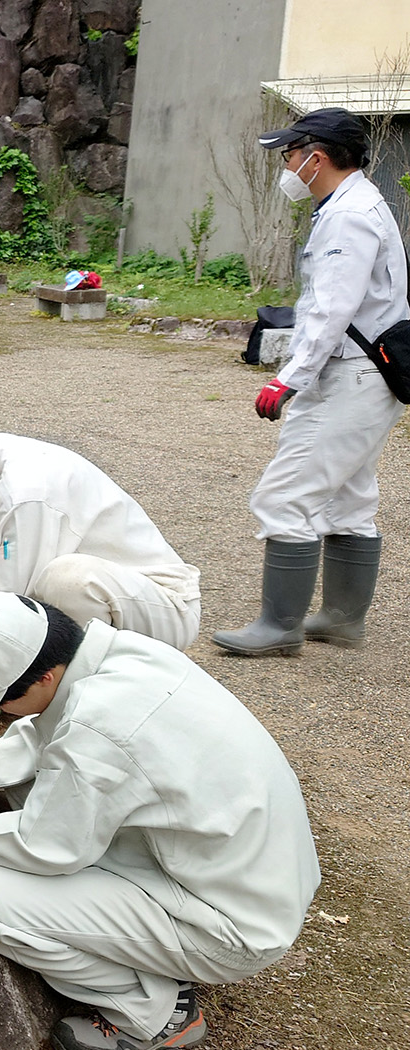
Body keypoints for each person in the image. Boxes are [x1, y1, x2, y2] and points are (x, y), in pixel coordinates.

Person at [0, 591, 318, 1050]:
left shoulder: (100, 727)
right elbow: (43, 737)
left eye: (0, 703)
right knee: (34, 790)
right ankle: (148, 957)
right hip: (248, 873)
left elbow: (46, 847)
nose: (2, 714)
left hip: (229, 925)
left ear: (44, 677)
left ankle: (153, 1013)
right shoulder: (120, 657)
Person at [214, 107, 409, 656]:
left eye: (289, 155)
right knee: (348, 496)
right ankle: (342, 621)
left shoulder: (347, 216)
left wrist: (288, 378)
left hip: (350, 374)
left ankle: (280, 627)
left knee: (285, 497)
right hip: (368, 373)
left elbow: (331, 309)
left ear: (315, 158)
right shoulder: (361, 203)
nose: (287, 165)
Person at [0, 394, 198, 708]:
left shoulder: (26, 492)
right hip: (69, 598)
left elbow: (18, 610)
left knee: (66, 581)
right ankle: (37, 678)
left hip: (152, 608)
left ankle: (88, 694)